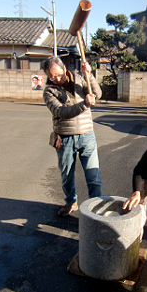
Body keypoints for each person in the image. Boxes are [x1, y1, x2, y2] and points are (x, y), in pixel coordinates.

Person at [43, 56, 103, 216]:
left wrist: (89, 74)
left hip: (87, 136)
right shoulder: (49, 91)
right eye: (52, 77)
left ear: (64, 68)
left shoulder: (79, 79)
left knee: (93, 176)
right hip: (65, 138)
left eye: (58, 74)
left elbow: (97, 94)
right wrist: (85, 104)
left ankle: (96, 207)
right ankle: (71, 202)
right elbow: (61, 112)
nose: (57, 79)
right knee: (66, 176)